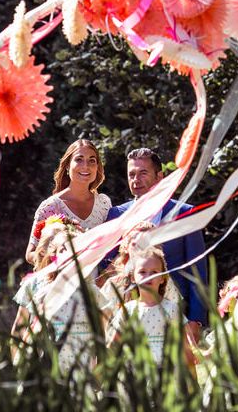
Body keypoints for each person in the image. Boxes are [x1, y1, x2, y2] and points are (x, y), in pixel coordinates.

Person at [106, 147, 208, 338]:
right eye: (132, 174)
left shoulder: (184, 213)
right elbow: (108, 266)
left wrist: (196, 319)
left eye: (143, 173)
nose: (136, 179)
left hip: (176, 313)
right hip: (128, 313)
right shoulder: (116, 214)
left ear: (159, 176)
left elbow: (198, 271)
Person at [12, 218, 100, 371]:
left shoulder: (90, 291)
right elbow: (20, 326)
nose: (69, 256)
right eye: (64, 250)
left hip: (78, 363)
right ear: (53, 255)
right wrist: (16, 363)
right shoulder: (36, 284)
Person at [25, 139, 111, 265]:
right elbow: (30, 254)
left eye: (92, 160)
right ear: (67, 166)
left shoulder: (104, 203)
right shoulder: (51, 206)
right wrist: (57, 260)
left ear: (97, 167)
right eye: (79, 159)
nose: (85, 166)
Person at [108, 247, 195, 368]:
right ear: (133, 277)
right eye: (142, 272)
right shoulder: (127, 310)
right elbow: (112, 347)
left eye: (154, 272)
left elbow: (187, 350)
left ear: (162, 278)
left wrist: (193, 383)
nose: (148, 276)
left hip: (165, 376)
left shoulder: (171, 309)